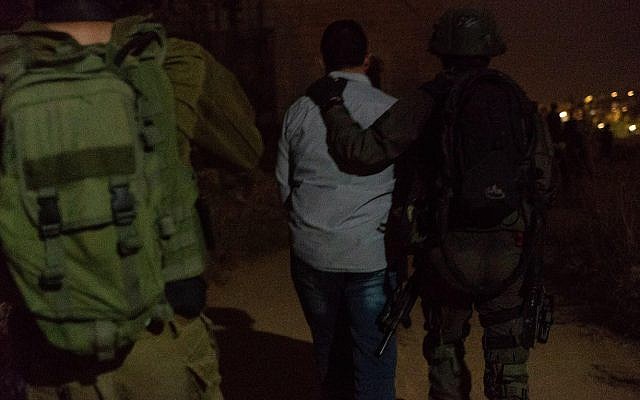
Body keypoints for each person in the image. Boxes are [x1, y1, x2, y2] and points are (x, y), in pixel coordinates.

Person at [0, 1, 263, 399]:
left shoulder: (6, 70)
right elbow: (245, 149)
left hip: (46, 350)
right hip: (161, 338)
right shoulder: (173, 59)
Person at [306, 8, 554, 400]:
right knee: (509, 354)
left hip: (447, 248)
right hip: (510, 248)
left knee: (445, 348)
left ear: (441, 49)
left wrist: (332, 105)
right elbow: (544, 180)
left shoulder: (428, 99)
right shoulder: (517, 99)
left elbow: (362, 152)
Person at [275, 20, 398, 400]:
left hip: (313, 253)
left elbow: (284, 185)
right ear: (367, 59)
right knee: (374, 358)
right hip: (371, 255)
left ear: (321, 60)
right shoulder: (390, 109)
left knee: (329, 353)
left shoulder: (299, 111)